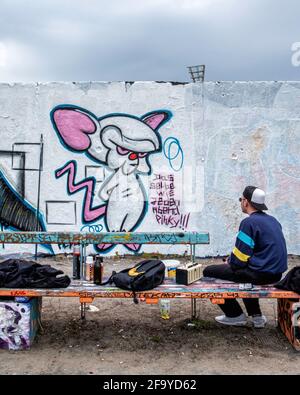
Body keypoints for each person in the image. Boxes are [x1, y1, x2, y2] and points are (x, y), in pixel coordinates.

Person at [203, 186, 288, 328]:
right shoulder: (273, 220)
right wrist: (233, 262)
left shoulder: (248, 223)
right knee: (244, 275)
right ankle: (257, 317)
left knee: (209, 271)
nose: (241, 202)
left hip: (260, 274)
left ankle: (234, 315)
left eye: (241, 199)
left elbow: (239, 261)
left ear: (246, 202)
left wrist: (230, 262)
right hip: (276, 274)